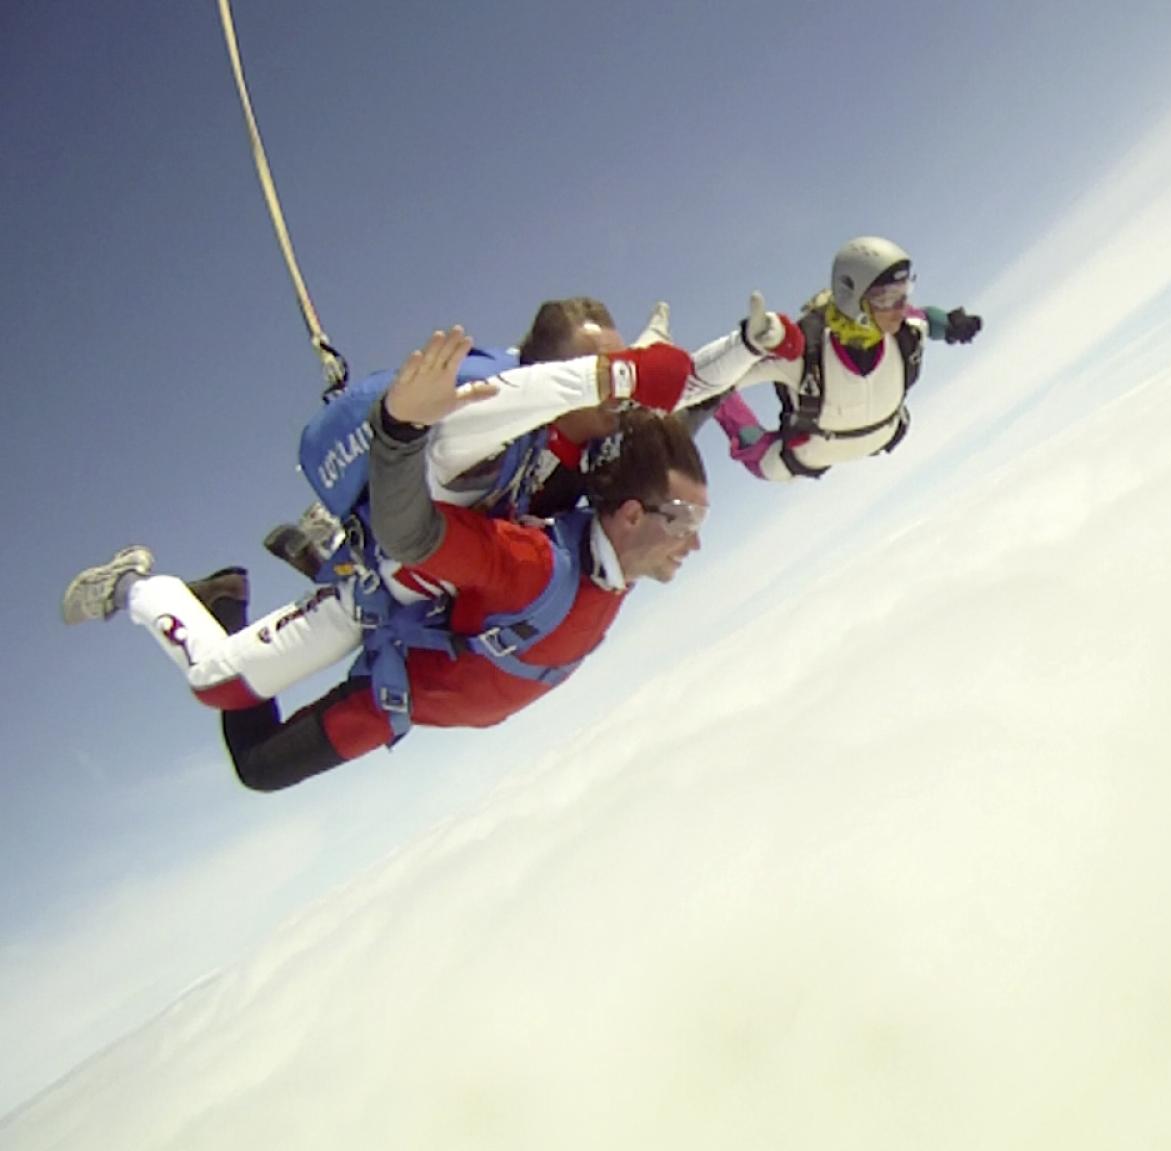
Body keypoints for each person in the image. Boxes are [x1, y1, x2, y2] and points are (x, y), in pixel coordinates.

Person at [62, 327, 709, 791]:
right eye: (685, 523)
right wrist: (401, 429)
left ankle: (260, 581)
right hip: (386, 649)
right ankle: (142, 587)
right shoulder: (537, 560)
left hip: (406, 653)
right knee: (217, 687)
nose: (695, 540)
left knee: (260, 764)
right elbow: (413, 534)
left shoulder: (601, 506)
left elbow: (673, 431)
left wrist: (749, 352)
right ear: (631, 515)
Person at [265, 294, 797, 576]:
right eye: (601, 370)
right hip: (410, 541)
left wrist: (750, 344)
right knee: (370, 595)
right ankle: (313, 547)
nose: (617, 393)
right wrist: (621, 373)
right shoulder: (484, 430)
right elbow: (539, 393)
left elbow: (682, 389)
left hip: (509, 517)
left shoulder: (588, 426)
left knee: (661, 433)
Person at [703, 236, 983, 481]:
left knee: (720, 397)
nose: (899, 307)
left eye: (904, 292)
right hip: (812, 452)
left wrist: (951, 324)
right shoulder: (800, 353)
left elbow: (925, 318)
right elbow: (721, 378)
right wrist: (686, 383)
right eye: (886, 298)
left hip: (880, 433)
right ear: (854, 298)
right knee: (763, 457)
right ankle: (719, 410)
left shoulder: (907, 331)